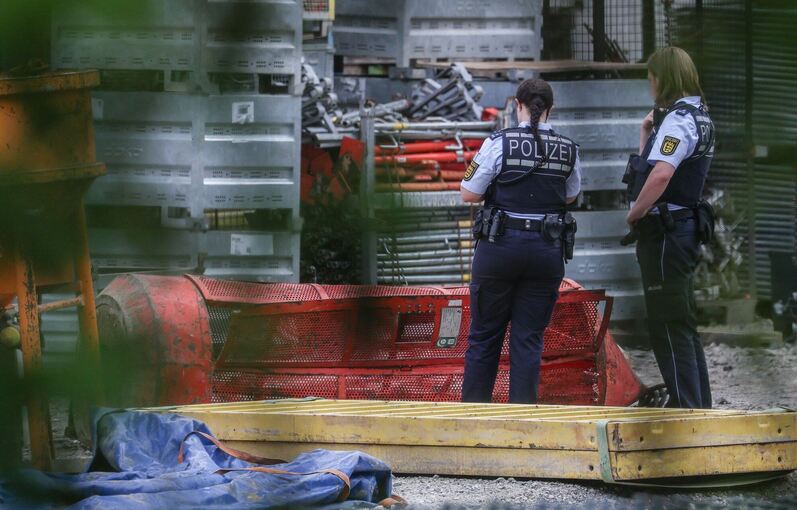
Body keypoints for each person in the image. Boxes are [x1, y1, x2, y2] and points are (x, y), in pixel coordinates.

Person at [459, 78, 581, 404]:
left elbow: (469, 192)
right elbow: (571, 196)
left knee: (484, 337)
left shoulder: (498, 143)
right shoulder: (569, 148)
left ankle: (473, 421)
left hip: (499, 248)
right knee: (528, 341)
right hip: (546, 251)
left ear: (518, 105)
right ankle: (523, 424)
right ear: (551, 109)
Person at [624, 46, 716, 409]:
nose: (649, 84)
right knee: (681, 321)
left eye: (651, 77)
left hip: (667, 232)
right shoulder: (700, 116)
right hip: (682, 228)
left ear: (663, 79)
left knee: (667, 323)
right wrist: (645, 130)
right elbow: (652, 164)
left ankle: (685, 408)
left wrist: (635, 213)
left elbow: (661, 174)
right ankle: (697, 405)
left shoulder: (679, 120)